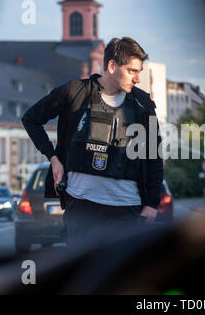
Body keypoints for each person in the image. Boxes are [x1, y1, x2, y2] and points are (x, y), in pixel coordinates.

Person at [22, 37, 163, 247]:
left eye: (139, 72)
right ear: (112, 66)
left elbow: (154, 157)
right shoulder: (75, 92)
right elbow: (31, 119)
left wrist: (151, 205)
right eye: (132, 71)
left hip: (127, 210)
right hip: (81, 209)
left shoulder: (142, 104)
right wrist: (53, 158)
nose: (137, 79)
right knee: (83, 275)